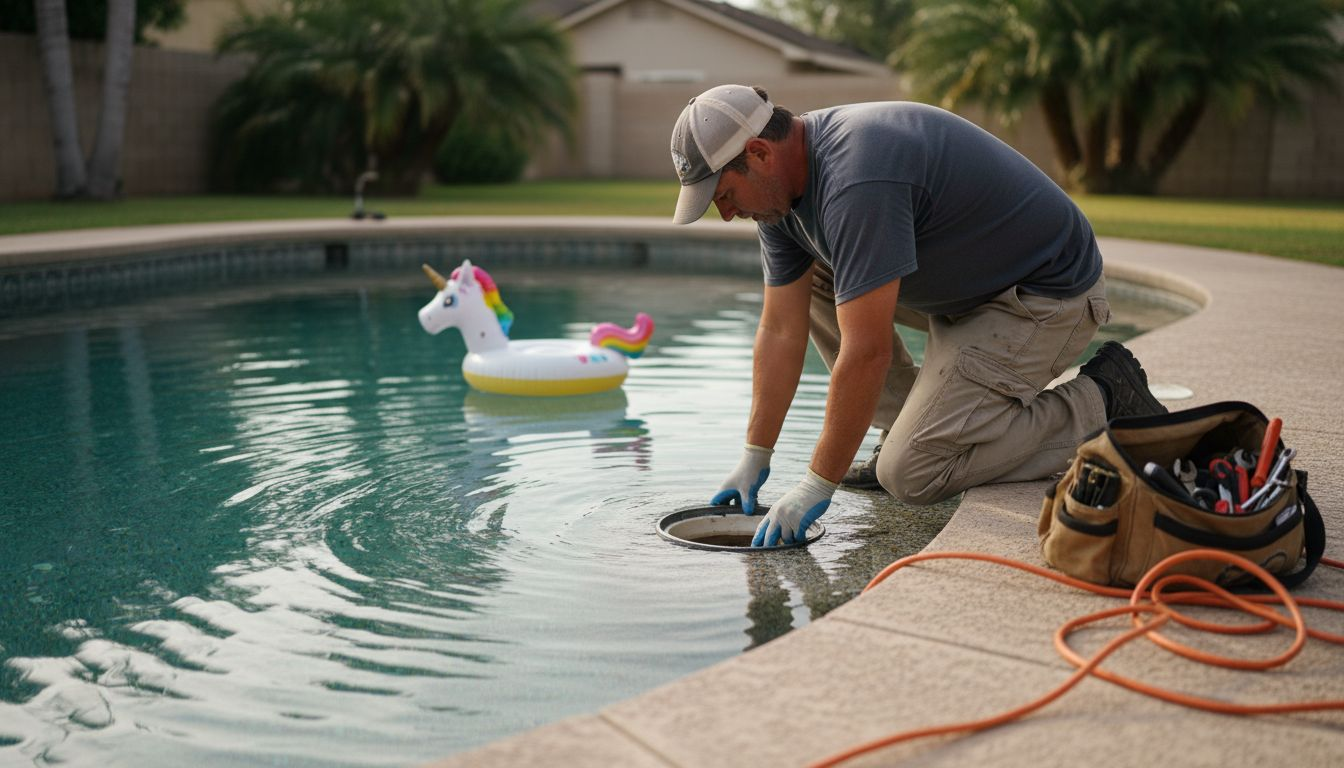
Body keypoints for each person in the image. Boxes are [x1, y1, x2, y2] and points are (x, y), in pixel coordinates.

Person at [668, 84, 1168, 548]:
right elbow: (780, 328)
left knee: (914, 473)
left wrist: (817, 482)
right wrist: (756, 454)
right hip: (965, 292)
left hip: (1043, 296)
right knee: (818, 281)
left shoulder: (856, 175)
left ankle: (1104, 400)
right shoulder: (780, 197)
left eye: (725, 196)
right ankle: (906, 424)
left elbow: (867, 351)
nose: (727, 214)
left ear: (758, 153)